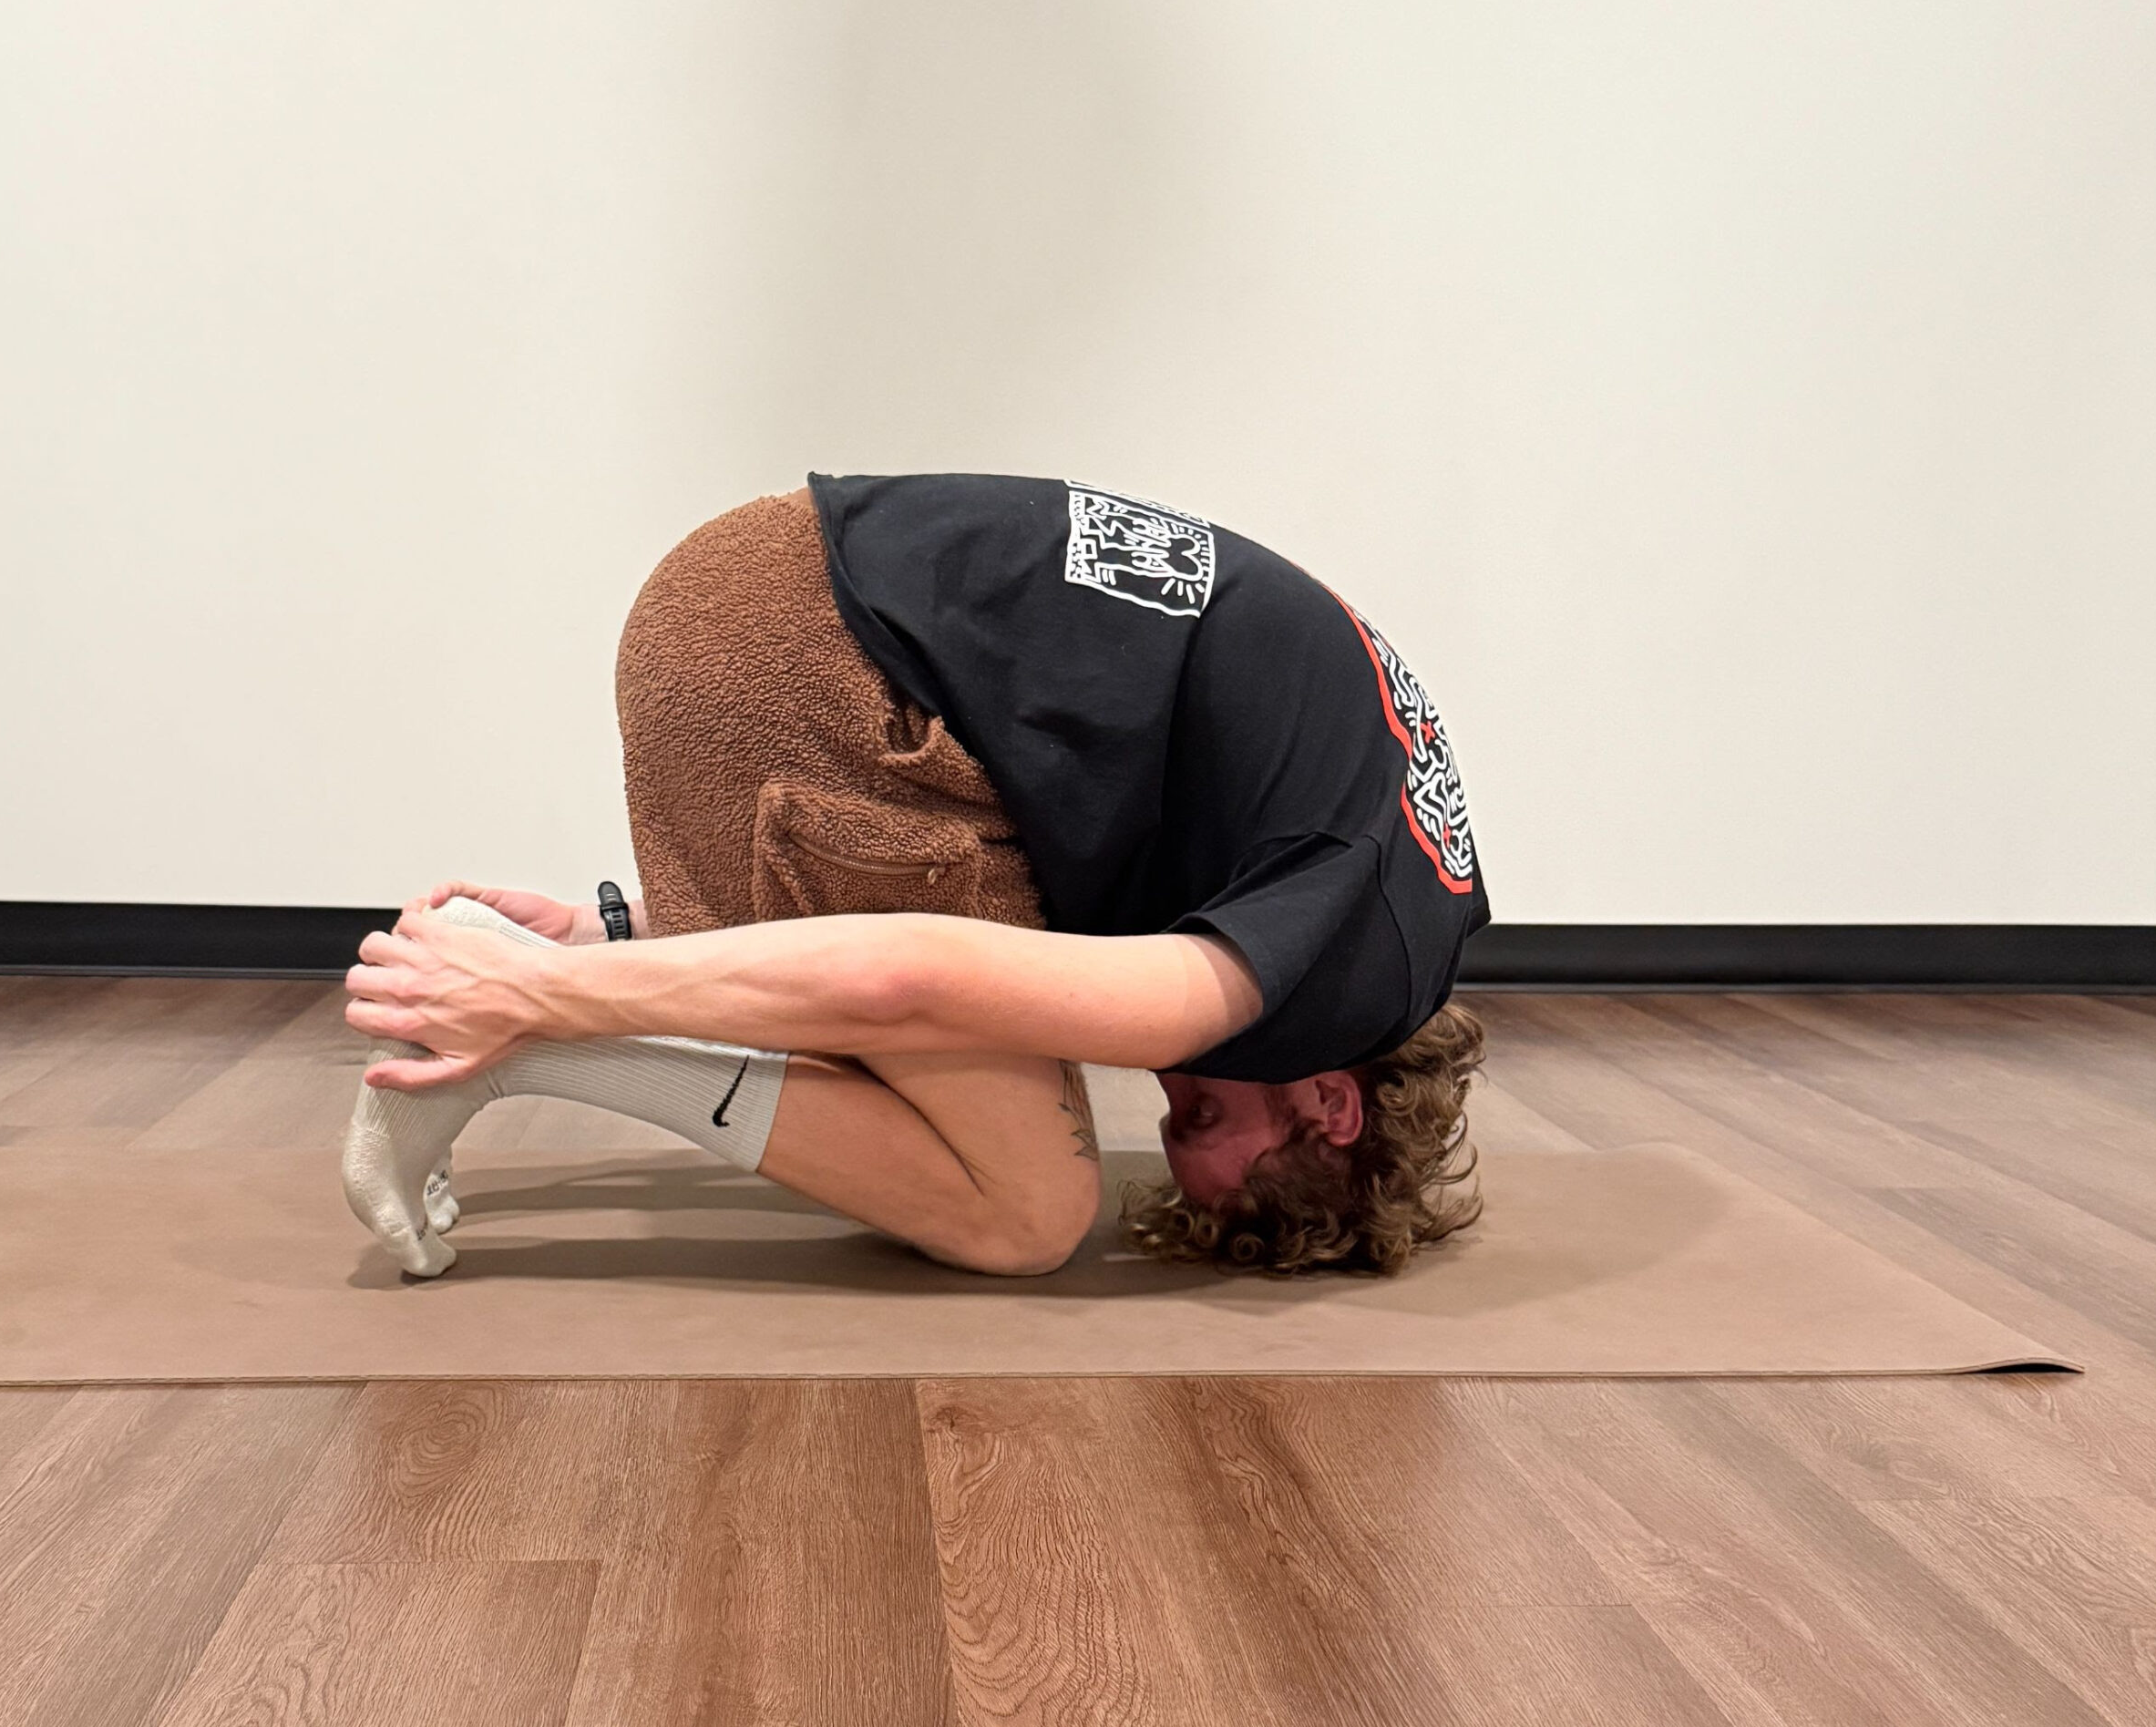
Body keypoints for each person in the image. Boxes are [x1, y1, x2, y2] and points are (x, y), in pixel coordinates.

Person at [342, 475, 1490, 1280]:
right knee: (1031, 1209)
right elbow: (908, 975)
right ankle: (537, 1052)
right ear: (1330, 1107)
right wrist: (539, 1004)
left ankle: (564, 997)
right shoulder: (1307, 961)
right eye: (1201, 1120)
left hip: (790, 593)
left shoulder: (1407, 889)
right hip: (808, 662)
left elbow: (1045, 863)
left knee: (977, 1011)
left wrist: (625, 931)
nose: (1171, 1093)